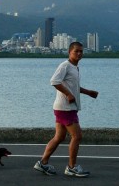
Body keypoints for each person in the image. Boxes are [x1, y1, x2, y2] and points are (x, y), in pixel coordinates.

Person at [34, 41, 98, 177]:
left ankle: (42, 163)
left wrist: (88, 92)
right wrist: (68, 94)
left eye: (81, 51)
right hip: (65, 108)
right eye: (76, 51)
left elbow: (72, 87)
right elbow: (54, 81)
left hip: (66, 107)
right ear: (70, 52)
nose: (79, 53)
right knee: (77, 136)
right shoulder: (65, 66)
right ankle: (72, 167)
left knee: (59, 137)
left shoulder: (75, 68)